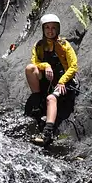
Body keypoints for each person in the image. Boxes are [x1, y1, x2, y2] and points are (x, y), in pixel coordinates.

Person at [25, 13, 79, 146]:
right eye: (47, 27)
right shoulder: (39, 46)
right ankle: (37, 100)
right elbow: (35, 62)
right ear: (43, 29)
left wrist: (62, 81)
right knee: (30, 68)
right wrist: (46, 65)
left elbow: (74, 66)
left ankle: (47, 133)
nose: (50, 30)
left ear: (58, 29)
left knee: (51, 98)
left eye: (53, 28)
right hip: (46, 81)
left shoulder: (64, 45)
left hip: (63, 82)